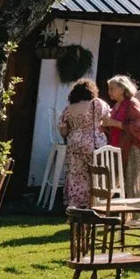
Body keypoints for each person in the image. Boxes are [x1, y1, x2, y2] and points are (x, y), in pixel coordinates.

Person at [103, 74, 140, 200]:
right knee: (118, 184)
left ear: (123, 89)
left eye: (112, 88)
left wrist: (114, 123)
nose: (109, 92)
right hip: (118, 148)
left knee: (134, 186)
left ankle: (138, 216)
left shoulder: (131, 103)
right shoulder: (116, 106)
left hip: (132, 150)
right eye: (109, 88)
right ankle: (118, 214)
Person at [57, 80, 111, 209]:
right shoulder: (97, 103)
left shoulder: (68, 108)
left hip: (74, 143)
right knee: (95, 175)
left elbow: (63, 131)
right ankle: (93, 204)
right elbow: (108, 120)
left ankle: (76, 206)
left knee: (76, 175)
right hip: (94, 143)